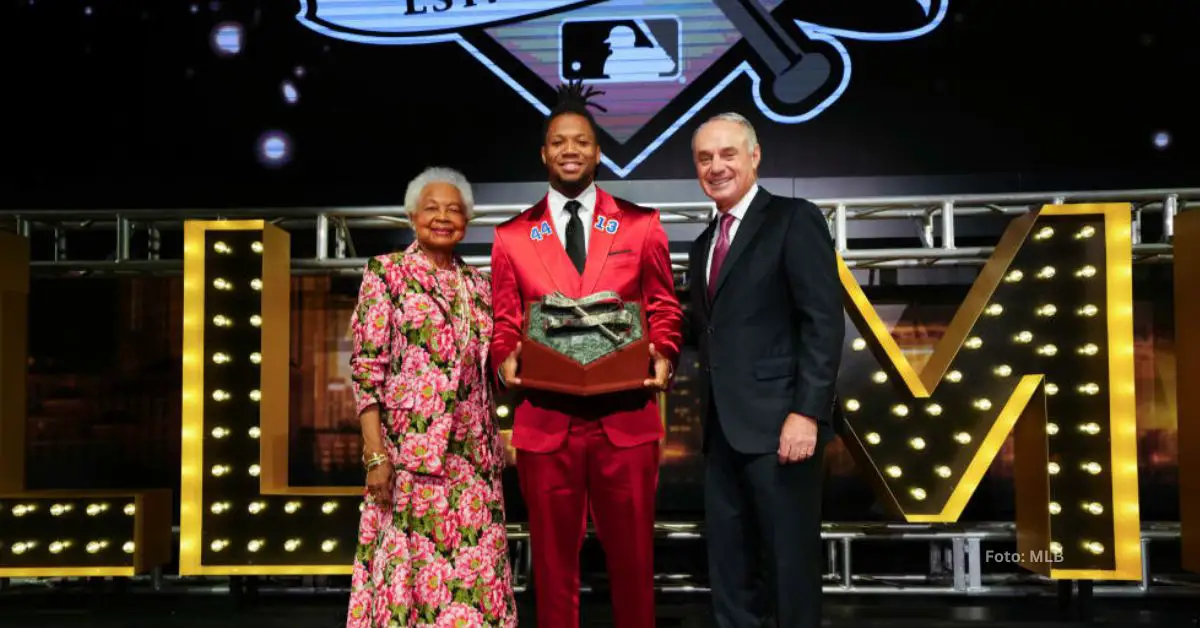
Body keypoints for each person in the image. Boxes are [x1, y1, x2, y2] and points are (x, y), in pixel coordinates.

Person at [489, 81, 683, 628]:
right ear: (544, 153)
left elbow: (665, 308)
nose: (570, 150)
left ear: (598, 152)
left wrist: (664, 352)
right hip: (546, 421)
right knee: (551, 566)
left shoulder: (641, 224)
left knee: (633, 562)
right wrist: (505, 356)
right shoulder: (510, 237)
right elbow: (505, 321)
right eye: (558, 142)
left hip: (625, 418)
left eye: (581, 141)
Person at [687, 112, 844, 628]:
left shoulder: (794, 219)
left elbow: (822, 323)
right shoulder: (703, 244)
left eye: (728, 154)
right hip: (720, 431)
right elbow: (704, 330)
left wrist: (806, 413)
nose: (717, 167)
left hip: (782, 428)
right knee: (730, 570)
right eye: (705, 157)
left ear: (755, 156)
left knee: (789, 567)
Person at [346, 167, 517, 628]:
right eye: (432, 208)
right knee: (411, 578)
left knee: (475, 578)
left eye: (454, 210)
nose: (443, 217)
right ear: (411, 216)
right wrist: (375, 452)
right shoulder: (386, 273)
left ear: (467, 221)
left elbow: (493, 369)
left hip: (473, 460)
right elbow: (366, 370)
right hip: (408, 454)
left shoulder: (480, 287)